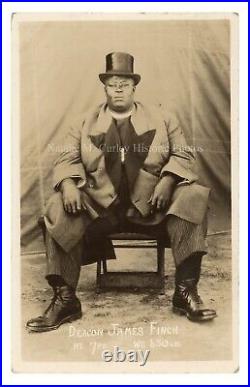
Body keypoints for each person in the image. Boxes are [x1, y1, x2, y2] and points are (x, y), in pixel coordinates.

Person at [26, 52, 217, 333]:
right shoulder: (83, 123)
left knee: (193, 195)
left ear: (134, 87)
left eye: (124, 83)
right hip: (100, 210)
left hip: (152, 206)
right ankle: (65, 299)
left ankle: (186, 292)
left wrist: (168, 179)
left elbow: (184, 155)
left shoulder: (163, 118)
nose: (118, 89)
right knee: (57, 204)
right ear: (104, 87)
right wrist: (68, 185)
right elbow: (66, 159)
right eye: (112, 83)